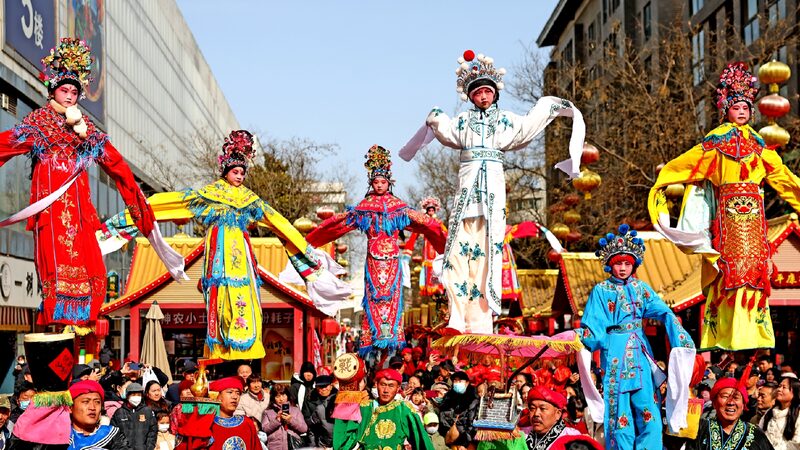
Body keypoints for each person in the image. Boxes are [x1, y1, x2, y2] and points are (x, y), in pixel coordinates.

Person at [99, 130, 351, 360]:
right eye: (235, 172)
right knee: (220, 296)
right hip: (218, 255)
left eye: (242, 173)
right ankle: (221, 346)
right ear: (225, 172)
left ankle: (244, 346)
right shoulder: (210, 195)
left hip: (242, 254)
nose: (239, 177)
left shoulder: (250, 199)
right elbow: (172, 202)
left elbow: (278, 222)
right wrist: (140, 210)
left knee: (244, 295)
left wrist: (306, 250)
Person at [0, 38, 184, 332]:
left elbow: (119, 168)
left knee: (91, 272)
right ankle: (58, 329)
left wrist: (143, 215)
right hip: (51, 215)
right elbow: (5, 145)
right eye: (64, 90)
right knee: (56, 276)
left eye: (74, 92)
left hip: (81, 217)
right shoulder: (39, 123)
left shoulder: (87, 131)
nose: (70, 97)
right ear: (53, 91)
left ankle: (78, 331)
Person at [399, 50, 585, 334]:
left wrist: (554, 107)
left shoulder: (506, 121)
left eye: (487, 91)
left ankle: (480, 322)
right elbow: (444, 128)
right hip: (467, 193)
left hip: (492, 195)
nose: (483, 97)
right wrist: (435, 117)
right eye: (478, 93)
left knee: (487, 255)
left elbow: (527, 126)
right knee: (458, 252)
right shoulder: (463, 122)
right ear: (470, 96)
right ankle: (457, 316)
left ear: (495, 93)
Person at [649, 62, 800, 351]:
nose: (741, 111)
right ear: (725, 110)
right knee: (728, 272)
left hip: (754, 227)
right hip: (727, 223)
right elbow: (681, 166)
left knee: (755, 274)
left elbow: (785, 180)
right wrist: (663, 186)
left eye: (745, 107)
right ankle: (726, 335)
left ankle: (754, 335)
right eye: (736, 107)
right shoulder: (714, 146)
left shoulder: (760, 148)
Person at [305, 145, 446, 354]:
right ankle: (372, 337)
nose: (379, 185)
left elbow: (424, 223)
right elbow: (340, 223)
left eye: (383, 182)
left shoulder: (398, 207)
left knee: (392, 297)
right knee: (373, 297)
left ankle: (392, 337)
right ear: (371, 183)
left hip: (392, 261)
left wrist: (442, 234)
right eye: (376, 182)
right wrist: (313, 239)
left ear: (389, 183)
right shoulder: (365, 207)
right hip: (373, 260)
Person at [579, 224, 697, 449]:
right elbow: (593, 326)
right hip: (615, 355)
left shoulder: (641, 288)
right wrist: (581, 337)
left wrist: (681, 339)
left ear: (634, 265)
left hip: (641, 356)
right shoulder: (601, 290)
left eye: (627, 264)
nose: (623, 268)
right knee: (620, 420)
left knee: (650, 416)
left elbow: (663, 311)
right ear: (610, 265)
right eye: (618, 264)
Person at [334, 369, 434, 450]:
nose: (386, 390)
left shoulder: (403, 409)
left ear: (398, 388)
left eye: (391, 386)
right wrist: (347, 396)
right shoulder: (364, 407)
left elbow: (421, 440)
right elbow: (344, 441)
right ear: (376, 385)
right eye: (383, 385)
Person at [687, 377, 773, 450]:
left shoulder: (756, 434)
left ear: (743, 404)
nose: (731, 402)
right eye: (725, 397)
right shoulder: (700, 428)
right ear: (714, 403)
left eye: (736, 397)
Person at [402, 197, 446, 298]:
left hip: (437, 250)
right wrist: (408, 250)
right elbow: (414, 235)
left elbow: (445, 235)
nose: (431, 212)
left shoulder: (439, 223)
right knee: (428, 269)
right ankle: (431, 291)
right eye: (429, 210)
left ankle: (439, 290)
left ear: (435, 211)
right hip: (427, 250)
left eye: (432, 210)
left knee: (438, 268)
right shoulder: (423, 222)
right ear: (426, 211)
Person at [209, 376, 260, 450]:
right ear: (217, 396)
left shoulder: (247, 423)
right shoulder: (209, 425)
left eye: (238, 393)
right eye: (230, 392)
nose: (235, 397)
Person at [438, 371, 478, 449]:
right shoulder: (448, 397)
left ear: (467, 383)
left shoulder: (473, 399)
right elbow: (442, 416)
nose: (457, 383)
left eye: (460, 381)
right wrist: (447, 432)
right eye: (455, 381)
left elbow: (473, 424)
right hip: (449, 438)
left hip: (466, 441)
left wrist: (464, 442)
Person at [110, 382, 156, 450]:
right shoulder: (119, 413)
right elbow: (114, 433)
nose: (136, 397)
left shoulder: (148, 411)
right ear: (127, 396)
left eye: (139, 395)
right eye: (133, 394)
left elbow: (152, 431)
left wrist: (149, 448)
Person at [261, 384, 307, 450]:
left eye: (283, 395)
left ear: (287, 396)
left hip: (293, 445)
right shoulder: (267, 412)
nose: (281, 399)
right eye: (278, 396)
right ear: (273, 398)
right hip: (275, 447)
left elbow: (304, 429)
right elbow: (265, 429)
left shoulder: (295, 410)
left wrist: (291, 420)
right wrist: (277, 420)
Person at [759, 376, 800, 449]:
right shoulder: (770, 412)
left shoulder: (797, 415)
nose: (779, 389)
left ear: (794, 392)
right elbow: (760, 433)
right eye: (779, 386)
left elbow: (796, 444)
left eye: (784, 387)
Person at [301, 374, 336, 446]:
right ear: (316, 387)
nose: (323, 389)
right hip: (318, 438)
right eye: (321, 387)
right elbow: (305, 419)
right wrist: (313, 419)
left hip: (337, 435)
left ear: (331, 386)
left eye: (326, 386)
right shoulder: (310, 399)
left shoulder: (338, 398)